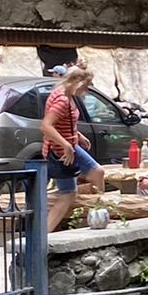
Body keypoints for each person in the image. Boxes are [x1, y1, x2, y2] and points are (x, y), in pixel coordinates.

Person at [42, 66, 107, 231]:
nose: (87, 89)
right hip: (60, 151)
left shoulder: (65, 94)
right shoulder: (62, 100)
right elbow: (46, 126)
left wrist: (76, 134)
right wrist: (65, 145)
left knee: (96, 173)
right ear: (77, 82)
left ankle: (101, 213)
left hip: (71, 145)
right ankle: (45, 234)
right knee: (68, 193)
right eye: (86, 85)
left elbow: (62, 122)